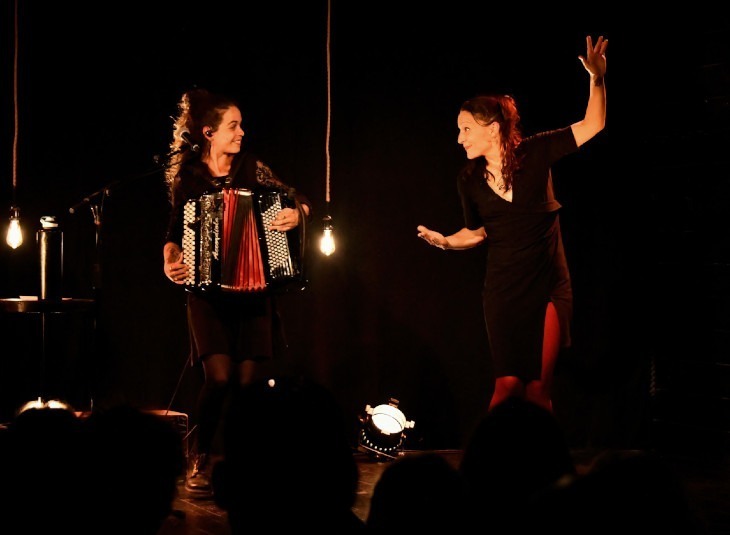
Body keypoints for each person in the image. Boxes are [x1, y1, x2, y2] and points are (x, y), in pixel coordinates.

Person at [417, 35, 608, 412]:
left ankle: (543, 452)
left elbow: (594, 124)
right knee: (506, 388)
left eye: (466, 129)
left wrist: (597, 78)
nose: (459, 139)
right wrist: (445, 241)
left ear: (492, 128)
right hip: (503, 293)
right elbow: (477, 232)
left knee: (537, 391)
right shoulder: (469, 181)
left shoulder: (536, 152)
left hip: (547, 285)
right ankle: (493, 451)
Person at [162, 87, 312, 496]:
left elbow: (298, 200)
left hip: (254, 292)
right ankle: (200, 456)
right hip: (207, 295)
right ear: (209, 133)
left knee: (247, 385)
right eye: (234, 126)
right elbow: (173, 234)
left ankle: (242, 461)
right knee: (219, 377)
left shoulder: (253, 169)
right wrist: (170, 261)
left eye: (241, 125)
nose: (242, 132)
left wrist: (295, 214)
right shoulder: (189, 178)